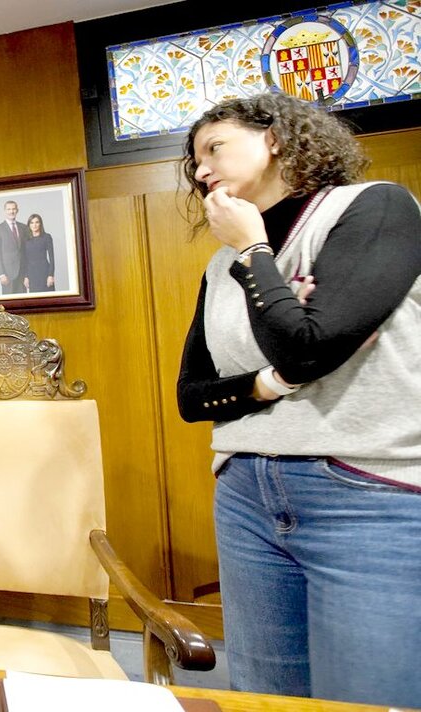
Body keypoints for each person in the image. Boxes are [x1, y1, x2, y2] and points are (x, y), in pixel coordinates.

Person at [176, 92, 421, 708]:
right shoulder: (219, 266)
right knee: (265, 695)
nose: (201, 170)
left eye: (214, 148)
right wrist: (272, 381)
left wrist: (257, 255)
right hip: (245, 492)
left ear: (276, 138)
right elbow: (192, 396)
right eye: (194, 163)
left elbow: (308, 347)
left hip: (363, 488)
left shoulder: (374, 207)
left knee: (367, 696)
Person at [0, 200, 30, 294]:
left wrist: (27, 275)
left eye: (14, 209)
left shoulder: (24, 228)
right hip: (7, 274)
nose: (11, 211)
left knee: (23, 303)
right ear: (5, 211)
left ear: (17, 210)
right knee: (9, 304)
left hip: (22, 274)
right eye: (9, 209)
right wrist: (1, 274)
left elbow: (27, 253)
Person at [21, 213, 55, 293]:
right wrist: (26, 276)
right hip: (32, 274)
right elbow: (25, 260)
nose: (34, 225)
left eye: (37, 222)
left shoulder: (47, 237)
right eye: (32, 223)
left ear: (40, 224)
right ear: (29, 224)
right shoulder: (26, 239)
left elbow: (52, 258)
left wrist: (51, 275)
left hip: (44, 272)